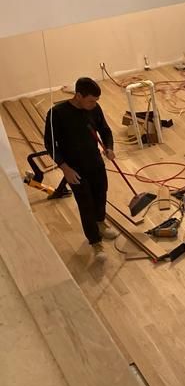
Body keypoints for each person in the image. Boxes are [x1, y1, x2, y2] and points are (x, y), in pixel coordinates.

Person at [44, 77, 117, 256]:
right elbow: (50, 144)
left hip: (95, 162)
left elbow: (105, 130)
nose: (94, 104)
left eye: (96, 101)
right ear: (78, 95)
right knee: (85, 204)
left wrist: (109, 147)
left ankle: (100, 223)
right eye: (90, 101)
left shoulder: (94, 108)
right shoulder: (56, 114)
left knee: (101, 194)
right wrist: (65, 168)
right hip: (75, 169)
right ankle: (95, 242)